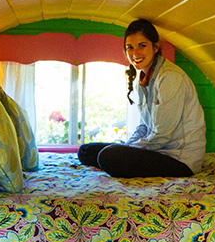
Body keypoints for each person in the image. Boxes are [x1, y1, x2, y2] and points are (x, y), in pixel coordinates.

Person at [77, 19, 206, 178]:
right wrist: (129, 146)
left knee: (108, 156)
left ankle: (117, 161)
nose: (135, 53)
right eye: (130, 47)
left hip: (179, 159)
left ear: (156, 47)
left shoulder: (170, 78)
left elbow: (162, 134)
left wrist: (131, 150)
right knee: (85, 151)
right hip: (157, 150)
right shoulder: (143, 79)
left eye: (142, 46)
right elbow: (144, 126)